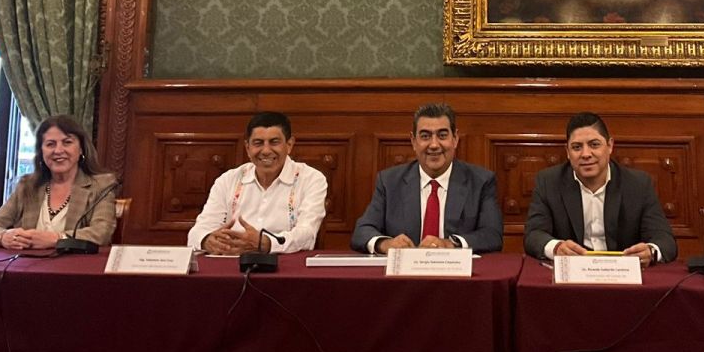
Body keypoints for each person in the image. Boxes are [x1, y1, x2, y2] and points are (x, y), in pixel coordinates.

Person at [524, 112, 677, 266]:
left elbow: (665, 240)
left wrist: (650, 252)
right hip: (574, 271)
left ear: (610, 146)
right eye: (577, 147)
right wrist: (556, 248)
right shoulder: (548, 182)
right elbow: (533, 235)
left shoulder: (638, 184)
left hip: (621, 271)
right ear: (567, 152)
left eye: (594, 145)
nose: (585, 154)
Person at [351, 103, 502, 253]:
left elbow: (492, 235)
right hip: (406, 268)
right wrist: (385, 244)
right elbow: (362, 231)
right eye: (425, 136)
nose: (434, 144)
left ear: (455, 139)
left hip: (456, 268)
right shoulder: (389, 181)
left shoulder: (481, 181)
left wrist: (450, 244)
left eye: (442, 135)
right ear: (413, 141)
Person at [187, 111, 327, 254]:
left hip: (284, 262)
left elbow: (307, 235)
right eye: (258, 143)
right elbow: (197, 232)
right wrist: (207, 240)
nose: (265, 151)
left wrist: (265, 243)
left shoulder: (311, 179)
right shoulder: (228, 180)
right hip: (231, 260)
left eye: (274, 142)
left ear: (289, 145)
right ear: (248, 148)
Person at [0, 115, 116, 249]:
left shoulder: (101, 185)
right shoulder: (27, 186)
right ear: (41, 152)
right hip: (27, 262)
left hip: (75, 263)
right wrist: (3, 236)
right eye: (50, 144)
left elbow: (101, 233)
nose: (58, 150)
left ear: (81, 149)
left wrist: (57, 239)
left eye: (67, 142)